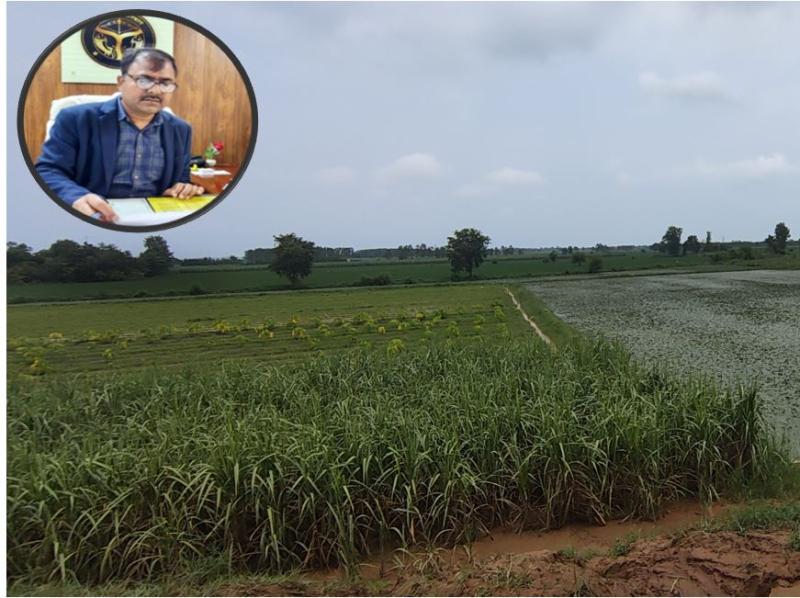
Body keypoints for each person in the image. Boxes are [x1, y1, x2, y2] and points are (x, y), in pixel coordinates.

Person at [36, 48, 205, 223]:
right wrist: (75, 196)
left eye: (166, 83)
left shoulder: (181, 129)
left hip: (154, 219)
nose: (155, 90)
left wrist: (184, 187)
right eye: (144, 80)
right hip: (96, 216)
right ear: (121, 82)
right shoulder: (75, 119)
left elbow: (181, 178)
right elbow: (48, 171)